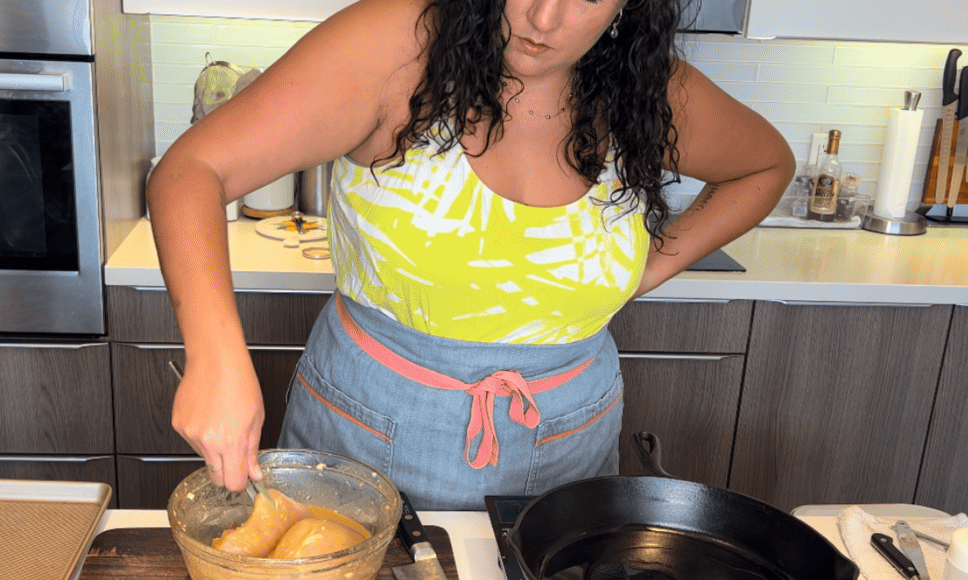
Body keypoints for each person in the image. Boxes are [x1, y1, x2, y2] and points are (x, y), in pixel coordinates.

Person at [147, 0, 793, 513]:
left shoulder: (645, 88)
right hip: (367, 435)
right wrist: (216, 355)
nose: (545, 17)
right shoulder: (397, 48)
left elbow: (766, 165)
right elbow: (191, 170)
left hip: (569, 450)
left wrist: (644, 271)